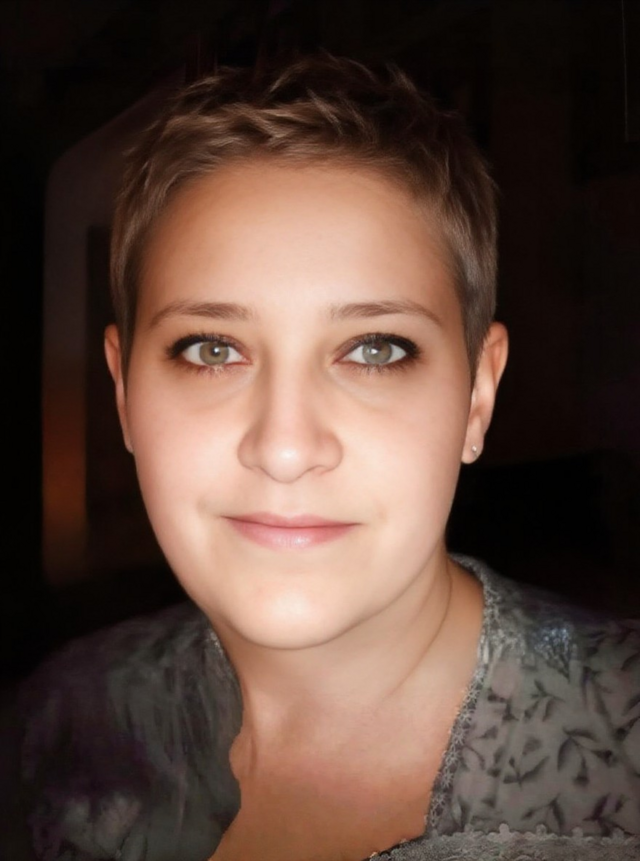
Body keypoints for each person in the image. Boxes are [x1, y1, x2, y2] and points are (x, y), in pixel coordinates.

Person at [14, 53, 640, 861]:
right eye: (211, 348)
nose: (284, 447)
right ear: (124, 392)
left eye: (375, 349)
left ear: (478, 396)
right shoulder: (60, 722)